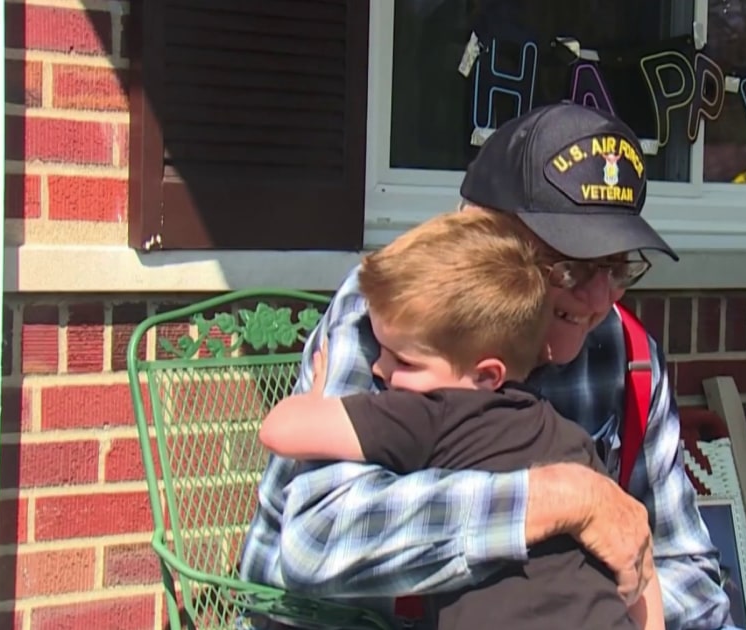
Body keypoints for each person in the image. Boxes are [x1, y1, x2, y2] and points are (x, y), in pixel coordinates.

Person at [238, 103, 740, 630]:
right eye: (567, 265)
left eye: (617, 266)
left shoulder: (627, 355)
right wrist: (564, 499)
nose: (597, 298)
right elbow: (316, 542)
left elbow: (687, 568)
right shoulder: (399, 320)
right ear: (475, 235)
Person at [257, 208, 665, 630]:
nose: (379, 368)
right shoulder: (569, 437)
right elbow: (636, 554)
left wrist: (319, 394)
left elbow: (279, 431)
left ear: (486, 373)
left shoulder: (429, 415)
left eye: (404, 360)